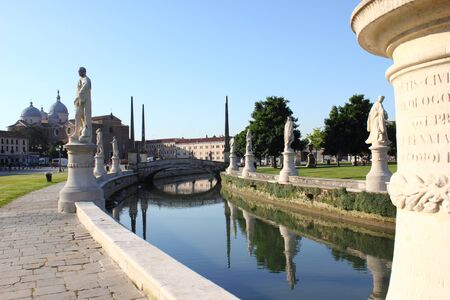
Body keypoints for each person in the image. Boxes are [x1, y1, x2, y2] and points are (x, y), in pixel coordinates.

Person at [71, 67, 92, 143]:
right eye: (79, 71)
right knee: (77, 116)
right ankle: (77, 133)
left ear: (84, 72)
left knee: (84, 117)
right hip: (79, 102)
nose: (79, 73)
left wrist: (80, 93)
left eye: (80, 71)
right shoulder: (79, 80)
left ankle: (85, 133)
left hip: (84, 101)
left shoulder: (86, 79)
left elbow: (86, 85)